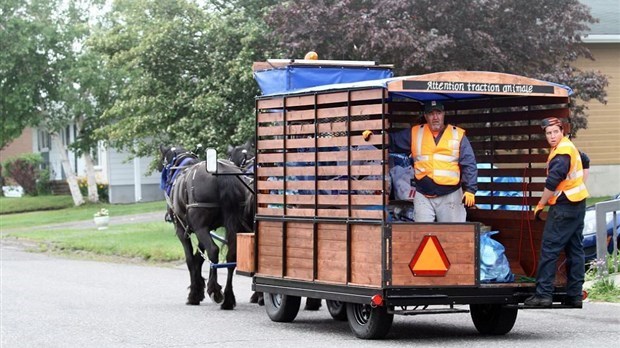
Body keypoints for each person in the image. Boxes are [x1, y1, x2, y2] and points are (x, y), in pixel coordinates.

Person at [525, 117, 589, 308]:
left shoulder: (561, 153)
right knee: (575, 248)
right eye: (548, 133)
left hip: (564, 206)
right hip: (578, 203)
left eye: (555, 132)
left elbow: (552, 183)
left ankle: (543, 295)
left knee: (549, 248)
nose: (552, 136)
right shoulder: (569, 146)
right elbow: (585, 160)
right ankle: (575, 295)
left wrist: (540, 205)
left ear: (562, 131)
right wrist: (580, 184)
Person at [389, 100, 478, 222]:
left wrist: (470, 190)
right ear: (426, 116)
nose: (435, 117)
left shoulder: (457, 134)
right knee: (423, 235)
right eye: (431, 114)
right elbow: (392, 141)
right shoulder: (415, 133)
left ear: (443, 114)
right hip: (423, 195)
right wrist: (373, 136)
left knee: (452, 234)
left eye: (438, 113)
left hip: (450, 195)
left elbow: (469, 163)